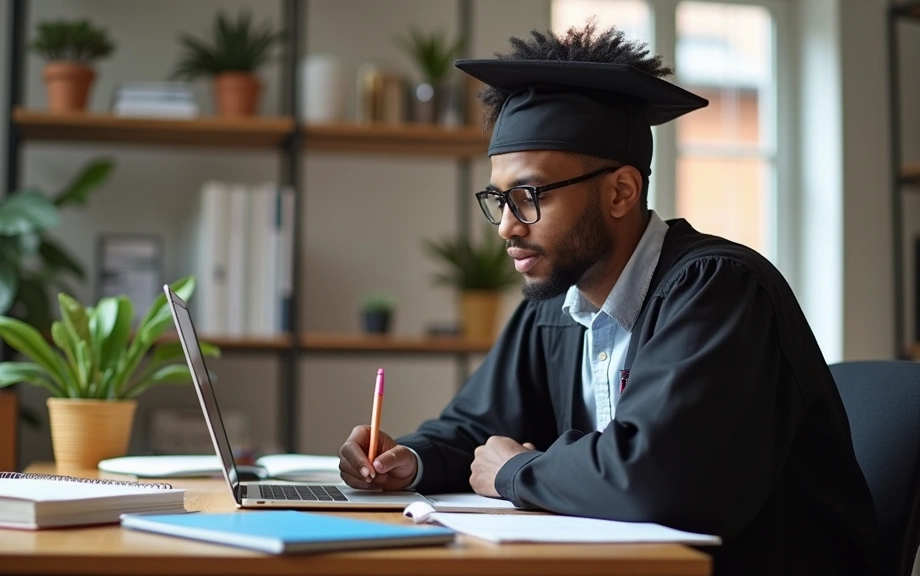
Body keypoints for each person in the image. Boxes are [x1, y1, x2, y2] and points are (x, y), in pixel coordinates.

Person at [337, 23, 878, 576]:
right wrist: (410, 459)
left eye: (528, 197)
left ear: (621, 191)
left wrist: (518, 471)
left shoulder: (718, 291)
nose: (505, 227)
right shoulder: (553, 309)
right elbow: (476, 430)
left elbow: (657, 478)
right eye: (499, 200)